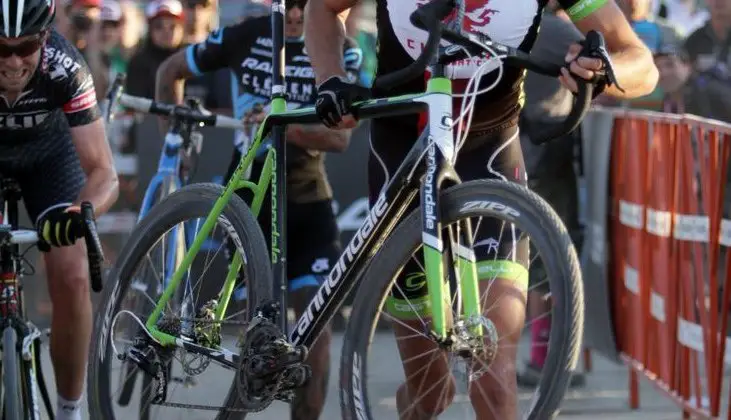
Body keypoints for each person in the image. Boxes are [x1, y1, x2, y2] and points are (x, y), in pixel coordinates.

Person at [305, 0, 657, 417]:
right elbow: (322, 8)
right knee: (429, 391)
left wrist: (604, 70)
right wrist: (330, 78)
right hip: (400, 155)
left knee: (494, 377)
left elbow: (641, 63)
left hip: (489, 155)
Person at [154, 1, 362, 419]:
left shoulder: (341, 47)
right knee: (258, 339)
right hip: (249, 199)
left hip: (308, 200)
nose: (299, 14)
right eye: (292, 4)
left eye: (308, 5)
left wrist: (280, 122)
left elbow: (340, 138)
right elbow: (168, 72)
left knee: (315, 336)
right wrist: (172, 150)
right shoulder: (242, 36)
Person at [0, 1, 119, 420]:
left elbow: (105, 172)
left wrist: (77, 213)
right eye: (1, 49)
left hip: (50, 158)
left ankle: (71, 410)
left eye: (26, 45)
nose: (13, 61)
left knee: (71, 276)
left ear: (45, 38)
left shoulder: (65, 66)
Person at [517, 1, 586, 389]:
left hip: (518, 151)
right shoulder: (555, 30)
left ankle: (539, 357)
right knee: (551, 259)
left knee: (529, 260)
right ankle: (545, 358)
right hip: (545, 151)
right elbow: (605, 72)